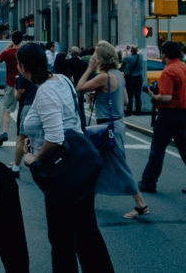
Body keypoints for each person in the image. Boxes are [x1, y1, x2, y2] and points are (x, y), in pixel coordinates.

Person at [17, 43, 114, 273]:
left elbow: (56, 137)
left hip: (60, 173)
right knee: (87, 233)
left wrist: (34, 158)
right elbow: (70, 121)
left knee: (62, 240)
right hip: (80, 167)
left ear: (22, 67)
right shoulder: (62, 80)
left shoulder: (45, 92)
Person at [76, 41, 149, 219]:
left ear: (99, 59)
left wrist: (89, 69)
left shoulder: (105, 77)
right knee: (99, 162)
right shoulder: (119, 75)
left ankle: (141, 204)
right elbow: (124, 101)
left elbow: (79, 88)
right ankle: (88, 199)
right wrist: (102, 94)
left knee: (118, 164)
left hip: (106, 127)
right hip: (117, 124)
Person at [138, 41, 186, 196]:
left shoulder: (168, 71)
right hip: (185, 114)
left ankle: (149, 182)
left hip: (169, 115)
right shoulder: (185, 69)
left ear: (164, 54)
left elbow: (166, 97)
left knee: (157, 149)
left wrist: (153, 95)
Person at [0, 30, 23, 146]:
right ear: (21, 39)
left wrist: (6, 48)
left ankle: (4, 132)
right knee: (24, 109)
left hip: (11, 84)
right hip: (23, 83)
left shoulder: (8, 53)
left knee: (7, 110)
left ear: (12, 39)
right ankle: (22, 134)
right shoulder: (24, 52)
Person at [10, 73, 37, 177]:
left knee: (22, 137)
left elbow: (19, 94)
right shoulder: (46, 69)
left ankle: (16, 167)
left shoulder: (24, 73)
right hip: (44, 104)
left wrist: (15, 88)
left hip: (29, 105)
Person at [122, 46, 143, 116]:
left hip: (130, 78)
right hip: (139, 78)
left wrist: (126, 50)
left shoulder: (129, 58)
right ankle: (138, 112)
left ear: (131, 51)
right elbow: (139, 52)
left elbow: (123, 57)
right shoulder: (141, 57)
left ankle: (128, 112)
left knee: (129, 96)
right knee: (138, 96)